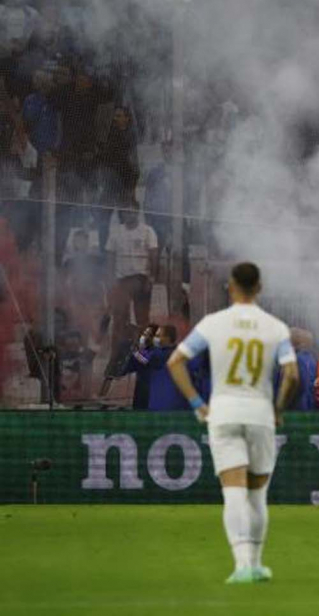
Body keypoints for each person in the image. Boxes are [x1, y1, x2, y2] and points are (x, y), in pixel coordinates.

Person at [167, 262, 300, 584]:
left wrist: (198, 403)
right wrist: (278, 408)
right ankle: (255, 564)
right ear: (260, 288)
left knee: (234, 493)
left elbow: (176, 361)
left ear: (230, 286)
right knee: (257, 495)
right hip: (260, 413)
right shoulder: (275, 327)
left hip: (224, 412)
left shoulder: (214, 323)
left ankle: (242, 565)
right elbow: (292, 374)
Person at [105, 204, 158, 352]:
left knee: (142, 319)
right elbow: (110, 256)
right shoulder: (116, 232)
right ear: (123, 213)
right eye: (126, 211)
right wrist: (110, 280)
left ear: (138, 212)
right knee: (120, 318)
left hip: (141, 279)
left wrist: (151, 278)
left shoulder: (147, 231)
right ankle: (118, 354)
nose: (129, 214)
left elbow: (154, 255)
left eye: (132, 211)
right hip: (121, 280)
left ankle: (145, 352)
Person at [121, 324, 184, 410]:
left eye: (157, 336)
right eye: (144, 334)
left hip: (163, 402)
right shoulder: (148, 352)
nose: (146, 338)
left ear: (168, 338)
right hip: (143, 400)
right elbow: (124, 369)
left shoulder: (171, 353)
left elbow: (148, 360)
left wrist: (135, 352)